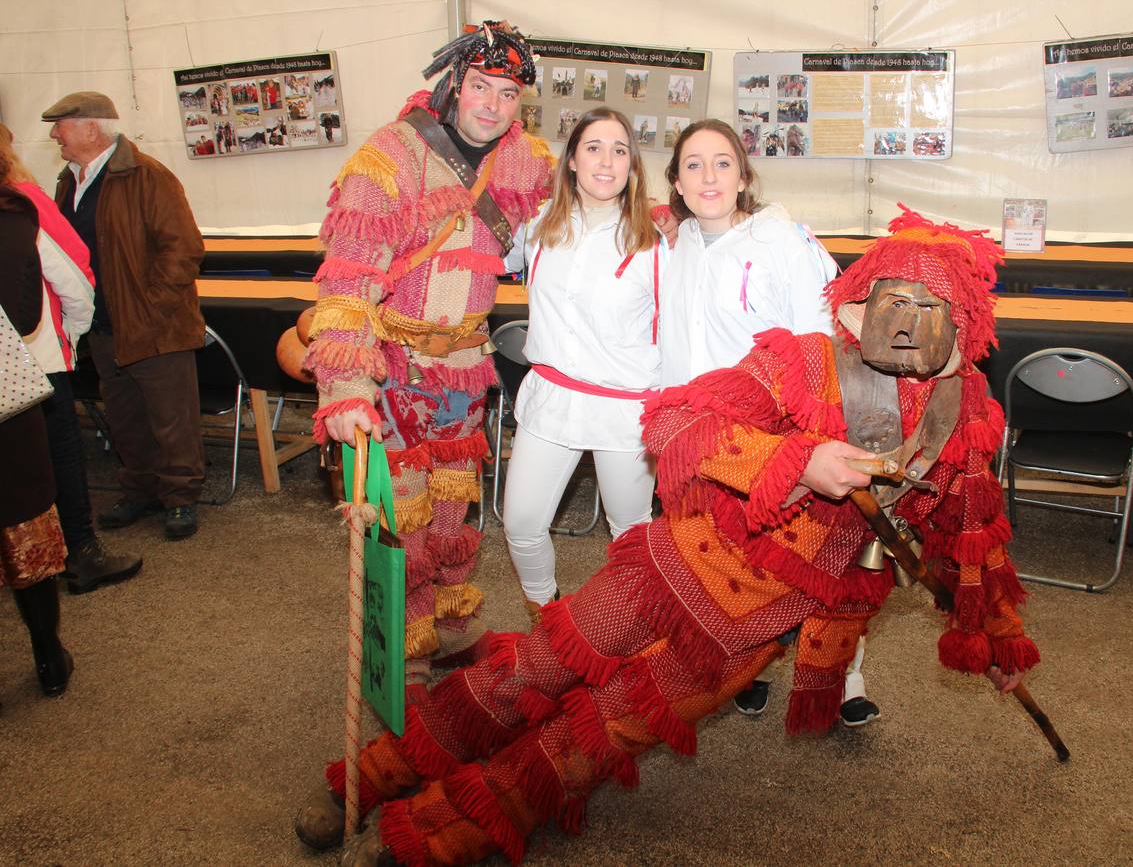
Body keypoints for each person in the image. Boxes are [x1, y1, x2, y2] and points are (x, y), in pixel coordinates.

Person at [313, 205, 1039, 867]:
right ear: (864, 302)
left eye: (930, 306)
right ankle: (375, 776)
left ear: (963, 321)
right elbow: (676, 422)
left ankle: (446, 830)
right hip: (673, 571)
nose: (909, 322)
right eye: (895, 301)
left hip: (757, 630)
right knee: (534, 667)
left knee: (607, 730)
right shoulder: (804, 361)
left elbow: (971, 540)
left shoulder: (966, 420)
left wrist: (999, 643)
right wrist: (797, 461)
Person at [302, 20, 553, 707]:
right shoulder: (388, 157)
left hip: (465, 374)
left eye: (508, 94)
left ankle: (446, 632)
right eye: (480, 87)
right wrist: (348, 387)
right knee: (403, 516)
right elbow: (349, 279)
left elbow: (593, 203)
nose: (492, 106)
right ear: (452, 85)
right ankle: (406, 649)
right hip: (396, 370)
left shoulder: (524, 160)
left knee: (454, 510)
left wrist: (672, 214)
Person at [658, 118, 878, 726]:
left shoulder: (777, 238)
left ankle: (848, 678)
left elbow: (820, 336)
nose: (709, 176)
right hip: (703, 439)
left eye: (723, 162)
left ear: (744, 175)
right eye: (694, 164)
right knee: (724, 565)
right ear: (676, 182)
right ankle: (743, 665)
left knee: (811, 561)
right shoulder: (669, 248)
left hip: (777, 433)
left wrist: (821, 431)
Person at [500, 108, 662, 623]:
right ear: (571, 160)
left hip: (625, 410)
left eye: (620, 150)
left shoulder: (658, 245)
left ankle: (629, 633)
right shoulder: (538, 227)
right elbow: (476, 251)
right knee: (521, 522)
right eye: (594, 147)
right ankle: (547, 621)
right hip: (552, 397)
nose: (607, 160)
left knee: (631, 536)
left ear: (633, 167)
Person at [43, 91, 207, 540]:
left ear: (92, 128)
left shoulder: (148, 176)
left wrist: (151, 307)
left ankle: (180, 498)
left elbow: (183, 248)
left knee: (172, 417)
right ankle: (140, 490)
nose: (55, 134)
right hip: (101, 326)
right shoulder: (67, 181)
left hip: (156, 325)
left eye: (62, 125)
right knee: (125, 416)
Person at [0, 124, 142, 594]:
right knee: (56, 455)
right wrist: (72, 335)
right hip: (34, 354)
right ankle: (80, 552)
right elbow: (72, 270)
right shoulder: (22, 201)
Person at [0, 181, 73, 698]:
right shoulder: (9, 218)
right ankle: (48, 655)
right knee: (22, 528)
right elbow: (23, 314)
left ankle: (50, 654)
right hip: (3, 406)